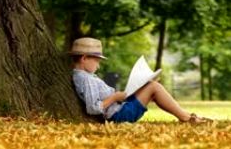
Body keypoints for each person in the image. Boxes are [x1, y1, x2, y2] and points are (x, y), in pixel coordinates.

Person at [70, 37, 210, 123]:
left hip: (120, 108)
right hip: (120, 115)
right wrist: (115, 97)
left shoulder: (83, 76)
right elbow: (92, 108)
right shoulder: (86, 79)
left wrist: (120, 96)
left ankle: (187, 116)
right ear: (84, 58)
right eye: (96, 61)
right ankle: (186, 118)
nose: (98, 65)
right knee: (154, 87)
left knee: (151, 85)